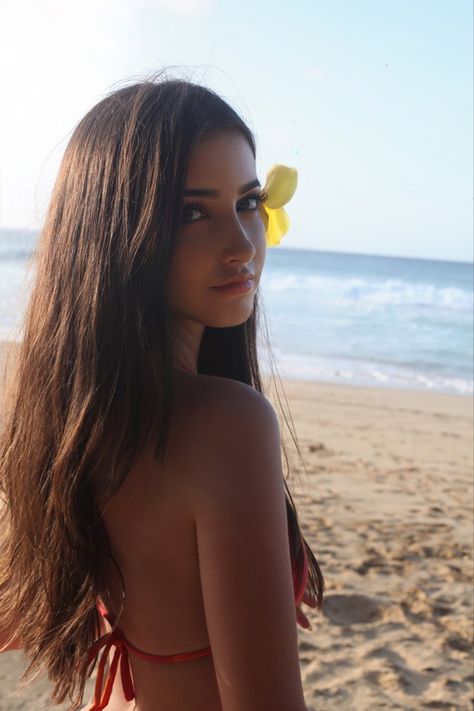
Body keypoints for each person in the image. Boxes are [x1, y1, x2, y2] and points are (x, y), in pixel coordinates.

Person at [0, 75, 324, 711]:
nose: (241, 245)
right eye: (191, 212)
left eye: (249, 202)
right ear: (115, 233)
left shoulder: (74, 420)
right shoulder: (227, 425)